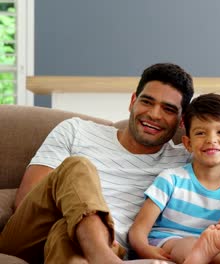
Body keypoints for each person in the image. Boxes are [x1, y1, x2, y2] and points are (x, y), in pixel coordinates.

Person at [0, 62, 197, 263]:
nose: (154, 114)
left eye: (168, 109)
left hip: (104, 248)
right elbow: (27, 200)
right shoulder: (76, 131)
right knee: (78, 166)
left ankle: (97, 252)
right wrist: (85, 225)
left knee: (64, 234)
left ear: (182, 121)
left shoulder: (185, 161)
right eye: (147, 102)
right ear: (132, 102)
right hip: (31, 238)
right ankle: (101, 255)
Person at [128, 93, 220, 264]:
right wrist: (145, 250)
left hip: (213, 249)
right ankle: (199, 256)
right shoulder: (171, 179)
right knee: (187, 245)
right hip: (168, 243)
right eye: (200, 133)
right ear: (188, 143)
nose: (211, 140)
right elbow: (138, 230)